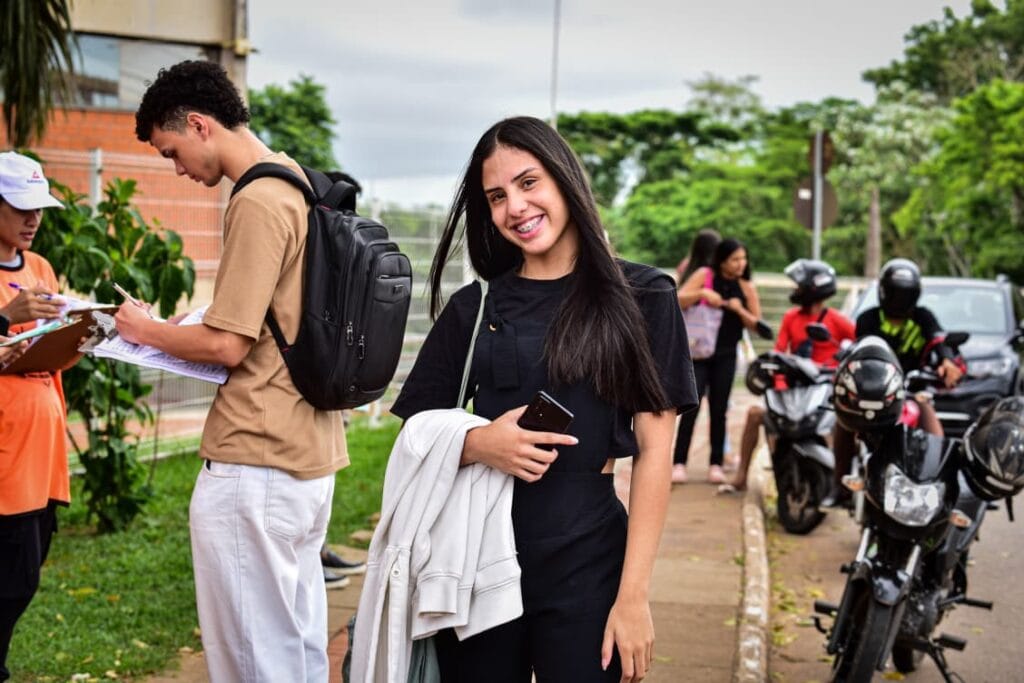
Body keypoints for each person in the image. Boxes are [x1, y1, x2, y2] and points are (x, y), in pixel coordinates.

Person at [390, 116, 696, 682]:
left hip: (588, 559)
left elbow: (656, 454)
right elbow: (415, 434)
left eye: (529, 183)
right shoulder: (475, 306)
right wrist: (481, 442)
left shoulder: (644, 297)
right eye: (497, 196)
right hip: (477, 560)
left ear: (564, 180)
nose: (516, 208)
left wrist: (633, 598)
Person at [116, 61, 347, 681]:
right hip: (304, 450)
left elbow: (226, 346)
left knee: (252, 658)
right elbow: (273, 317)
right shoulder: (297, 181)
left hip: (256, 459)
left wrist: (143, 331)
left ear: (199, 125)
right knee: (294, 644)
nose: (178, 170)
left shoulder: (257, 199)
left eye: (172, 152)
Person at [0, 152, 69, 683]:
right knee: (10, 580)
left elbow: (49, 347)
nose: (33, 220)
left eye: (39, 208)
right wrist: (6, 318)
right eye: (21, 208)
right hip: (4, 458)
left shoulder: (41, 268)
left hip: (41, 452)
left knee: (27, 571)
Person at [822, 258, 963, 508]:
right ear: (884, 291)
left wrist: (947, 361)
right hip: (874, 391)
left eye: (905, 293)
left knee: (935, 433)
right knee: (842, 421)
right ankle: (839, 485)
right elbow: (858, 349)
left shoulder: (923, 318)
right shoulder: (868, 319)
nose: (899, 299)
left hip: (913, 390)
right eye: (896, 292)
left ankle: (940, 489)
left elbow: (938, 341)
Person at [721, 259, 854, 492]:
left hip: (823, 391)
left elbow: (858, 342)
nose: (795, 290)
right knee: (755, 414)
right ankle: (742, 475)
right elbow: (780, 352)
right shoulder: (791, 317)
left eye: (799, 286)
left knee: (844, 422)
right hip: (794, 388)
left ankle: (841, 479)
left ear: (812, 289)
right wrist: (778, 383)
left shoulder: (835, 319)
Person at [673, 238, 762, 485]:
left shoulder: (746, 287)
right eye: (735, 259)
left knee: (719, 410)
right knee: (691, 407)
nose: (740, 264)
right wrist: (701, 293)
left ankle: (716, 464)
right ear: (722, 260)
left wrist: (739, 309)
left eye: (743, 259)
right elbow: (677, 299)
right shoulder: (705, 275)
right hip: (699, 354)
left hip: (726, 355)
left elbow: (757, 325)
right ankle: (679, 463)